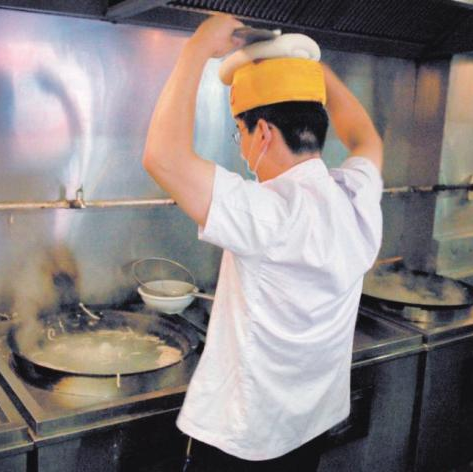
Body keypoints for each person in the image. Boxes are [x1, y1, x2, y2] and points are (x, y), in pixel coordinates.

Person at [143, 14, 383, 472]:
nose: (240, 146)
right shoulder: (355, 196)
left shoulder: (272, 213)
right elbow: (366, 137)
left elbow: (162, 157)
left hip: (242, 442)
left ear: (265, 133)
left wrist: (196, 49)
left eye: (240, 132)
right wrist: (311, 67)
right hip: (308, 429)